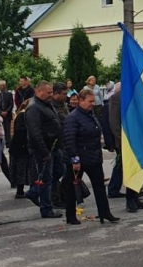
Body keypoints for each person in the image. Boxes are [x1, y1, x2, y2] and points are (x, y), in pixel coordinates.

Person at [62, 89, 118, 225]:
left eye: (93, 101)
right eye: (90, 101)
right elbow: (70, 140)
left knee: (99, 186)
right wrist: (75, 159)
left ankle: (105, 212)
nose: (92, 104)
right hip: (79, 159)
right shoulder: (73, 118)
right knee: (72, 188)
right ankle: (70, 216)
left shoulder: (90, 115)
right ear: (81, 101)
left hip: (93, 157)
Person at [25, 81, 64, 218]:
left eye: (51, 92)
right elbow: (35, 132)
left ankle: (34, 191)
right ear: (38, 91)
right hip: (43, 149)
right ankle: (46, 209)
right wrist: (44, 151)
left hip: (54, 146)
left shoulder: (47, 104)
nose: (50, 95)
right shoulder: (34, 108)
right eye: (48, 93)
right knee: (46, 178)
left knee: (60, 169)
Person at [7, 100, 36, 199]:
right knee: (21, 169)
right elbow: (20, 131)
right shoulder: (22, 115)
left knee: (24, 169)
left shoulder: (24, 114)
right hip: (20, 147)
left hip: (22, 147)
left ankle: (22, 190)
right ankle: (20, 191)